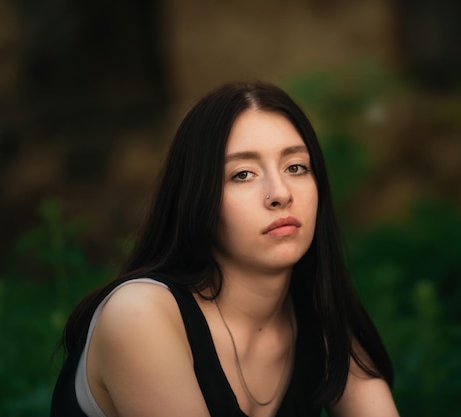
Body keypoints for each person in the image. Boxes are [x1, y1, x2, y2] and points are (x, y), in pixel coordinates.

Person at [50, 81, 399, 417]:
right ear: (199, 198)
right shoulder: (140, 314)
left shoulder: (321, 321)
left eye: (296, 167)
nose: (280, 193)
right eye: (243, 174)